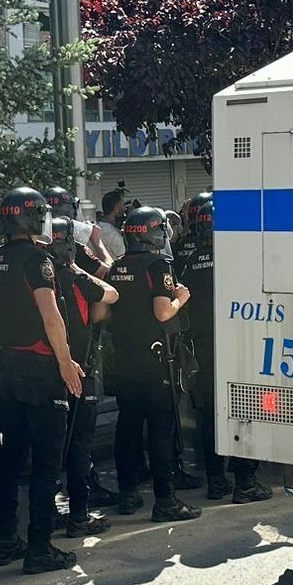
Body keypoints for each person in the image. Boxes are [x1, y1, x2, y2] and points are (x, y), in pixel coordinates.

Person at [0, 188, 84, 572]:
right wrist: (66, 363)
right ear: (34, 218)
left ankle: (6, 542)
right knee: (46, 465)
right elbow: (51, 316)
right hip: (40, 369)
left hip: (6, 368)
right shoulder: (38, 259)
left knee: (10, 459)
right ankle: (39, 549)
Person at [104, 207, 200, 522]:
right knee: (160, 431)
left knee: (128, 428)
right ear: (150, 233)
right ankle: (166, 501)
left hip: (125, 361)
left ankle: (128, 494)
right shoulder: (158, 265)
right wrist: (181, 299)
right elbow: (163, 312)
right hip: (156, 361)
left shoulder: (117, 267)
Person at [181, 193, 269, 504]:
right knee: (243, 411)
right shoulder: (239, 260)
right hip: (236, 347)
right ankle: (245, 481)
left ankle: (216, 481)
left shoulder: (189, 263)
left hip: (202, 349)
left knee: (210, 417)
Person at [48, 218, 118, 538]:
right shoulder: (73, 273)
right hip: (77, 368)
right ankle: (79, 515)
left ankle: (47, 512)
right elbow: (110, 294)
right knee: (79, 443)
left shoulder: (35, 269)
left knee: (48, 446)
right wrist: (79, 269)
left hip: (44, 369)